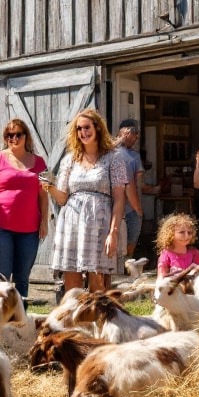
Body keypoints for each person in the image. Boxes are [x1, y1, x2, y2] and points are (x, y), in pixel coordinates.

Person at [44, 109, 128, 293]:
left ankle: (99, 320)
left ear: (98, 128)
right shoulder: (70, 159)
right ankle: (75, 320)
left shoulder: (114, 158)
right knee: (72, 285)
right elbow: (62, 198)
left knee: (98, 284)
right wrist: (49, 186)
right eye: (79, 128)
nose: (83, 132)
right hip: (72, 222)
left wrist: (113, 233)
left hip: (100, 223)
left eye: (87, 127)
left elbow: (119, 199)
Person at [0, 119, 48, 298]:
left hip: (29, 230)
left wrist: (44, 222)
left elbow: (43, 195)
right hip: (1, 228)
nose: (14, 138)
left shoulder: (39, 163)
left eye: (18, 134)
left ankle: (20, 320)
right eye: (10, 135)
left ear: (26, 136)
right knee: (2, 278)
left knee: (22, 278)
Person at [115, 120, 145, 258]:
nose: (136, 136)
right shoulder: (112, 153)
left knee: (128, 248)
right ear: (122, 132)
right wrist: (138, 209)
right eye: (133, 132)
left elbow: (139, 185)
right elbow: (132, 185)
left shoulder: (135, 156)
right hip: (125, 209)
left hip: (127, 208)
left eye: (137, 133)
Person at [155, 213, 199, 278]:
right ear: (170, 234)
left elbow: (198, 277)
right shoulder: (166, 254)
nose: (186, 236)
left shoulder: (195, 253)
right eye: (181, 232)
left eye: (189, 233)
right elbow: (161, 278)